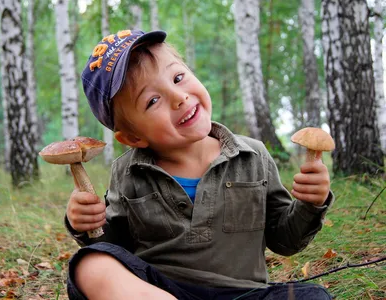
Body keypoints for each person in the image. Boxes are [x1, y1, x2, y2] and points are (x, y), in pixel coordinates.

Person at [65, 29, 334, 300]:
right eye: (152, 101)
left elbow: (285, 240)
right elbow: (116, 249)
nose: (178, 97)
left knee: (314, 297)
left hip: (243, 294)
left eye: (178, 78)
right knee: (90, 264)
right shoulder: (128, 173)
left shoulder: (252, 156)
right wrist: (86, 224)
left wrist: (311, 204)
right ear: (134, 137)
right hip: (161, 290)